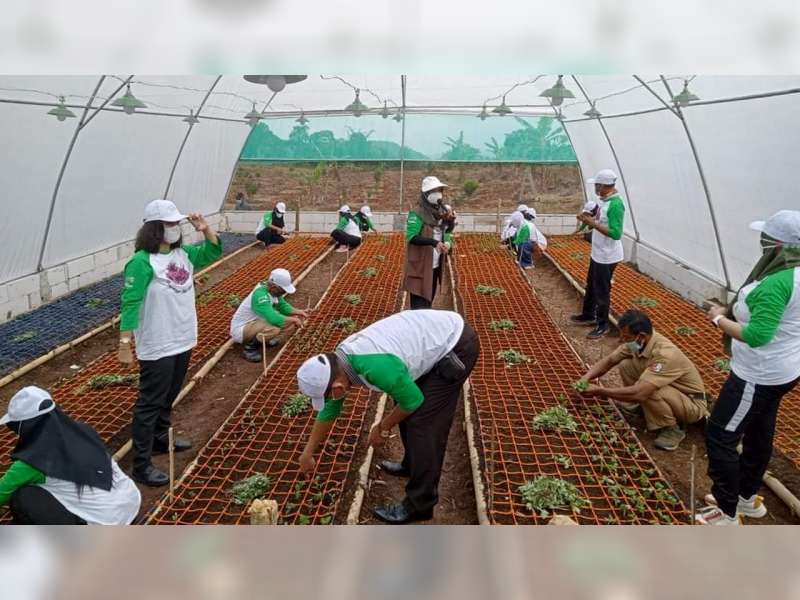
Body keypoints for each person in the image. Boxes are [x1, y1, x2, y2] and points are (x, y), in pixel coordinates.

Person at [296, 310, 480, 524]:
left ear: (336, 387)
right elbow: (330, 410)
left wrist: (382, 427)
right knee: (402, 405)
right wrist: (307, 453)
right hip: (433, 337)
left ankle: (420, 505)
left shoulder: (375, 366)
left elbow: (412, 401)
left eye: (327, 396)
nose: (329, 400)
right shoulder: (339, 363)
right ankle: (411, 464)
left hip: (456, 345)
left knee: (423, 424)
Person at [698, 210, 800, 525]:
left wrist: (719, 318)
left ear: (779, 246)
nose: (761, 244)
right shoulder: (794, 273)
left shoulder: (777, 283)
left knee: (720, 435)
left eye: (766, 240)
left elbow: (757, 335)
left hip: (757, 375)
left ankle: (727, 511)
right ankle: (746, 498)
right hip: (784, 370)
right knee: (758, 431)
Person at [119, 199, 222, 486]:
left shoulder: (182, 254)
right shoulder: (141, 262)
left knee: (169, 395)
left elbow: (214, 251)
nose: (176, 228)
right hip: (158, 342)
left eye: (178, 224)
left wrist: (205, 229)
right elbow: (130, 302)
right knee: (150, 402)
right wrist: (125, 342)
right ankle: (141, 464)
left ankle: (161, 439)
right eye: (170, 224)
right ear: (155, 228)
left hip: (183, 336)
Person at [0, 387, 141, 524]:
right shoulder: (84, 431)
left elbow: (2, 493)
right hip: (130, 502)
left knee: (22, 497)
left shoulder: (31, 462)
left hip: (107, 522)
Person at [576, 310, 708, 451]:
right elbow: (609, 361)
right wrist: (586, 378)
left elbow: (641, 393)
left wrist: (600, 391)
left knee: (649, 391)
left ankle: (671, 428)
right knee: (626, 365)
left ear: (641, 336)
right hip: (673, 392)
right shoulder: (640, 342)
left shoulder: (665, 354)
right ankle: (645, 408)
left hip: (691, 404)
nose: (622, 340)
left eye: (626, 337)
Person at [570, 169, 626, 339]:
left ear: (603, 186)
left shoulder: (616, 205)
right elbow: (598, 219)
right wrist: (588, 218)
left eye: (596, 185)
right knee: (591, 284)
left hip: (607, 256)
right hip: (598, 253)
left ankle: (603, 325)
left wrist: (591, 223)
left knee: (602, 290)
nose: (595, 188)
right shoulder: (605, 201)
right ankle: (588, 314)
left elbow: (616, 233)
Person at [229, 268, 310, 362]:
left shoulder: (271, 291)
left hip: (254, 323)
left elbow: (282, 306)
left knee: (288, 321)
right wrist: (293, 320)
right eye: (283, 290)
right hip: (241, 329)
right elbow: (273, 318)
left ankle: (264, 340)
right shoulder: (260, 296)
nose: (284, 292)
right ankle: (249, 349)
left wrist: (298, 312)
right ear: (274, 287)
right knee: (274, 328)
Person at [404, 176, 453, 309]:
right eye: (433, 191)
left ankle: (425, 326)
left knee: (429, 300)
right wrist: (434, 243)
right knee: (419, 304)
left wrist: (448, 242)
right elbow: (411, 237)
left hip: (435, 264)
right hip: (420, 265)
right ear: (425, 194)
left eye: (439, 190)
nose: (437, 193)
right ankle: (417, 328)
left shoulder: (440, 212)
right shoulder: (416, 213)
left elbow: (446, 231)